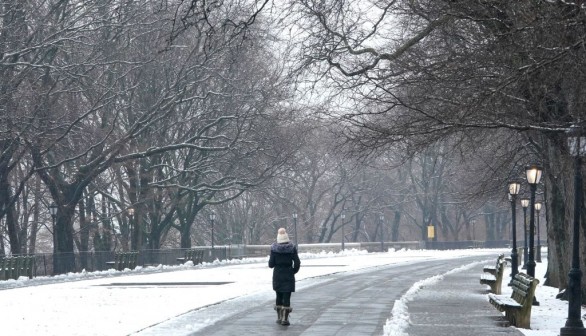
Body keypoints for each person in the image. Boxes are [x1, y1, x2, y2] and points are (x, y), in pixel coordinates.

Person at [268, 227, 301, 326]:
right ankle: (285, 319)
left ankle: (279, 317)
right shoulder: (292, 248)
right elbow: (297, 262)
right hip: (288, 274)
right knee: (287, 296)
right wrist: (293, 271)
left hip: (278, 275)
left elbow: (271, 264)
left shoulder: (274, 249)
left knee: (278, 295)